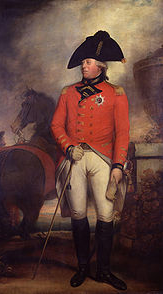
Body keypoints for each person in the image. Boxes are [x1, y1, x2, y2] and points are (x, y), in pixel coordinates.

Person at [51, 31, 129, 290]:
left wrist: (118, 165)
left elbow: (123, 132)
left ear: (101, 66)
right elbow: (56, 125)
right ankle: (83, 266)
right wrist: (68, 146)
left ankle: (104, 271)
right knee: (78, 213)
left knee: (106, 215)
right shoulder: (67, 92)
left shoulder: (116, 93)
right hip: (75, 158)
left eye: (89, 61)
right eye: (83, 61)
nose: (84, 65)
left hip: (103, 159)